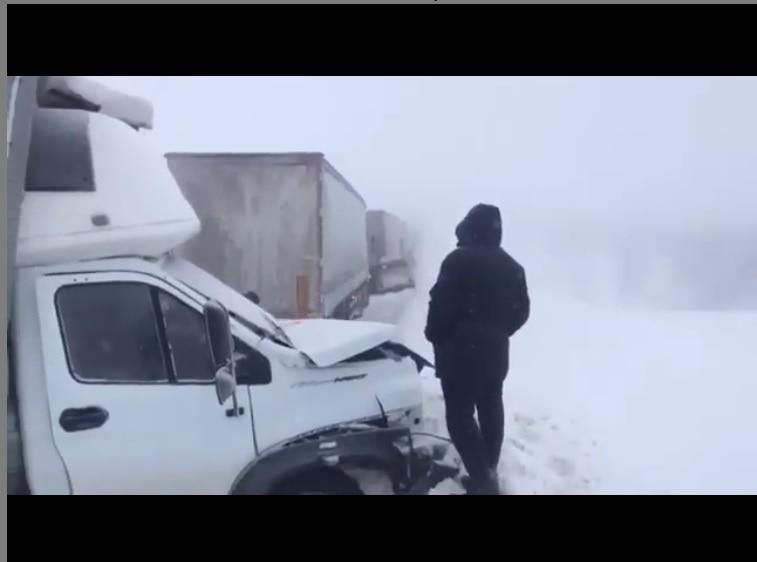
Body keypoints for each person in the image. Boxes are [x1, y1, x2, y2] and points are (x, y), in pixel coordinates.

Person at [425, 204, 530, 495]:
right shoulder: (513, 267)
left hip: (461, 353)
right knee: (490, 406)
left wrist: (437, 335)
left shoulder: (457, 261)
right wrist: (498, 331)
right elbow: (522, 311)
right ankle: (488, 470)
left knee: (459, 417)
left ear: (469, 229)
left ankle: (483, 482)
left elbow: (440, 306)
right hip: (497, 353)